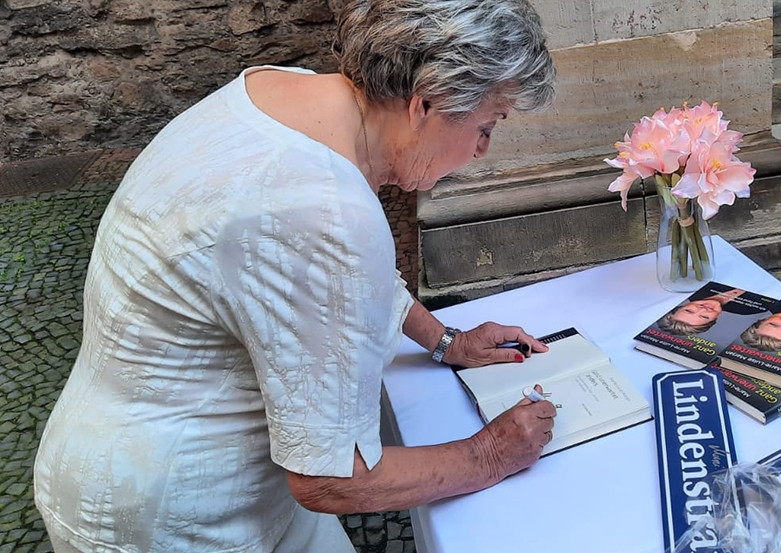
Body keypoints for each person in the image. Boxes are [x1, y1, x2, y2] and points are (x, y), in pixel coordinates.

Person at [32, 1, 557, 552]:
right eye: (487, 125)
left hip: (159, 460)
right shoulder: (322, 206)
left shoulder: (287, 93)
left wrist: (446, 339)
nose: (481, 150)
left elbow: (331, 278)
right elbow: (332, 478)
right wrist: (490, 454)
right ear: (425, 103)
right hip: (172, 514)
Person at [656, 288, 746, 335]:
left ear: (682, 306)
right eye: (705, 317)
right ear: (715, 319)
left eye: (689, 310)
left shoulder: (693, 287)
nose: (702, 309)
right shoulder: (746, 310)